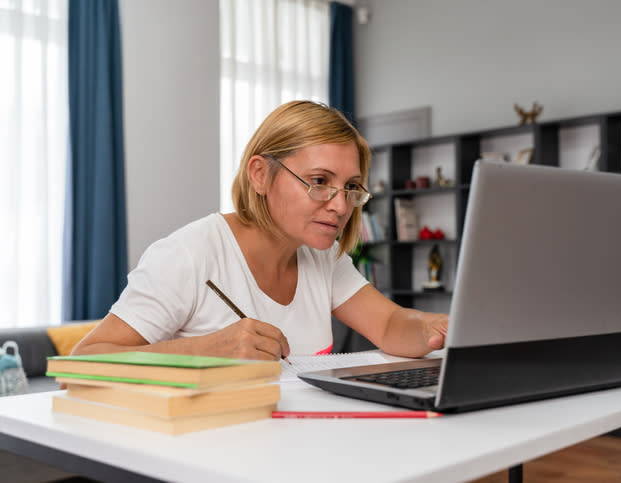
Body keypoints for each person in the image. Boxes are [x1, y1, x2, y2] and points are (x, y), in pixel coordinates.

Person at [73, 100, 448, 362]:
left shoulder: (322, 256)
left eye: (350, 187)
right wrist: (204, 351)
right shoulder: (189, 255)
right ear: (260, 175)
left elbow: (388, 323)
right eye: (319, 180)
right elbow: (82, 363)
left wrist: (445, 327)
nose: (340, 205)